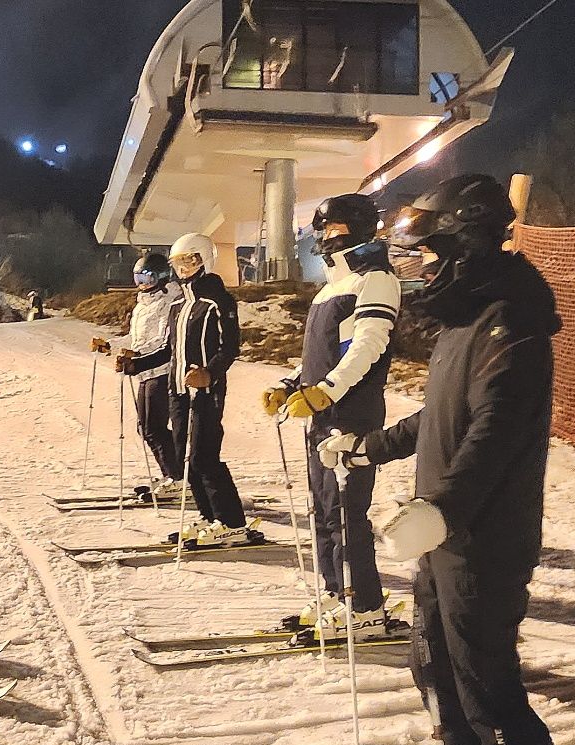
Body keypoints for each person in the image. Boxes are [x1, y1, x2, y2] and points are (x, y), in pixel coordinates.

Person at [320, 174, 575, 745]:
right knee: (433, 664)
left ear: (465, 246)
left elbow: (494, 432)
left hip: (482, 539)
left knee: (489, 689)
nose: (419, 270)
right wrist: (369, 445)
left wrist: (442, 508)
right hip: (445, 535)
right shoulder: (465, 323)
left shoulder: (513, 325)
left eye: (428, 254)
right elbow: (437, 418)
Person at [263, 193, 401, 639]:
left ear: (360, 229)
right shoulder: (331, 287)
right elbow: (324, 356)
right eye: (321, 230)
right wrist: (291, 384)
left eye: (334, 229)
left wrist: (326, 392)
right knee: (323, 509)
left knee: (346, 512)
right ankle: (334, 590)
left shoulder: (375, 281)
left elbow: (368, 346)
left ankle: (364, 606)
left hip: (351, 415)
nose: (324, 238)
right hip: (322, 415)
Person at [117, 233, 258, 547]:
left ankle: (232, 521)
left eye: (190, 260)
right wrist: (135, 364)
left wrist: (209, 373)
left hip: (205, 391)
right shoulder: (178, 303)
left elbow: (230, 347)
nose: (184, 268)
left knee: (205, 456)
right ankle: (209, 517)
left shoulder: (216, 300)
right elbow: (170, 350)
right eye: (178, 262)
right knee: (184, 457)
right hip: (177, 390)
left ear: (204, 260)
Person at [127, 251, 183, 498]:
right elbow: (139, 341)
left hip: (161, 371)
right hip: (145, 371)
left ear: (161, 277)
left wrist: (138, 362)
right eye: (138, 278)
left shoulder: (170, 302)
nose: (142, 284)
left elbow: (165, 343)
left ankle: (178, 477)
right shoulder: (142, 305)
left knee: (154, 427)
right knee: (145, 428)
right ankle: (171, 474)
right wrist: (112, 347)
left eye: (147, 278)